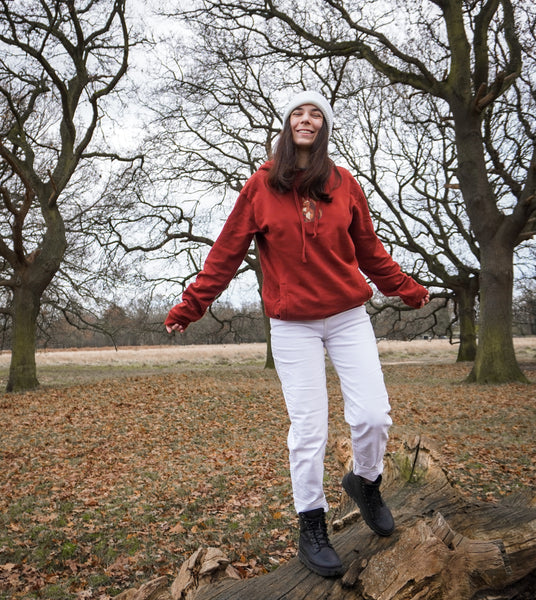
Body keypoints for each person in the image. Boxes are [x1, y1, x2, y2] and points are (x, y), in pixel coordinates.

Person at [165, 90, 429, 577]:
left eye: (316, 114)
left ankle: (365, 483)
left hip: (348, 316)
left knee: (373, 416)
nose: (306, 119)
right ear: (286, 125)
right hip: (292, 326)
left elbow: (369, 249)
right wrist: (192, 305)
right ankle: (312, 525)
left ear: (324, 127)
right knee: (309, 430)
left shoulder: (345, 183)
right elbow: (225, 252)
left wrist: (406, 289)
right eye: (298, 113)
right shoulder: (260, 186)